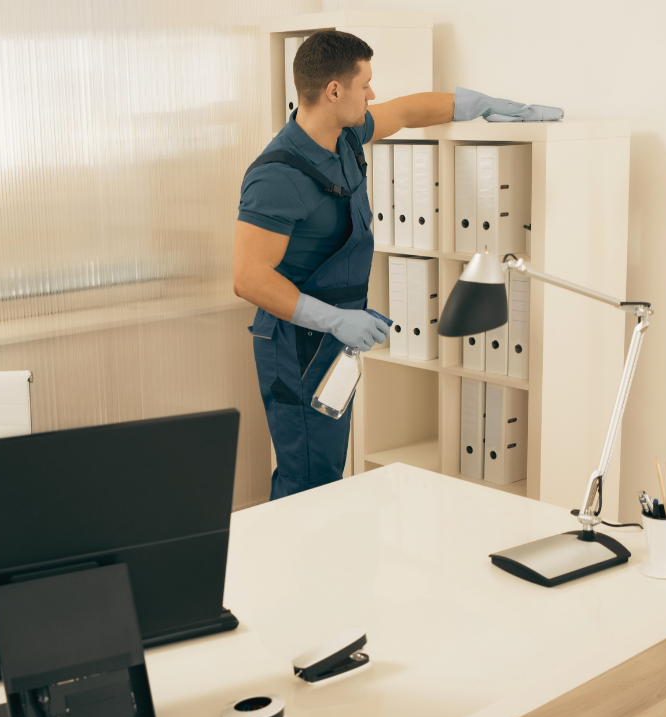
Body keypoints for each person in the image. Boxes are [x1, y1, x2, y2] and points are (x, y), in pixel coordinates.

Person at [234, 30, 561, 501]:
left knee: (324, 472)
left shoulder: (344, 136)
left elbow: (407, 112)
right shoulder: (276, 176)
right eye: (364, 84)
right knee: (309, 481)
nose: (372, 94)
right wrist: (335, 320)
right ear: (333, 91)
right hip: (297, 346)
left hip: (333, 340)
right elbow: (248, 277)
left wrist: (480, 104)